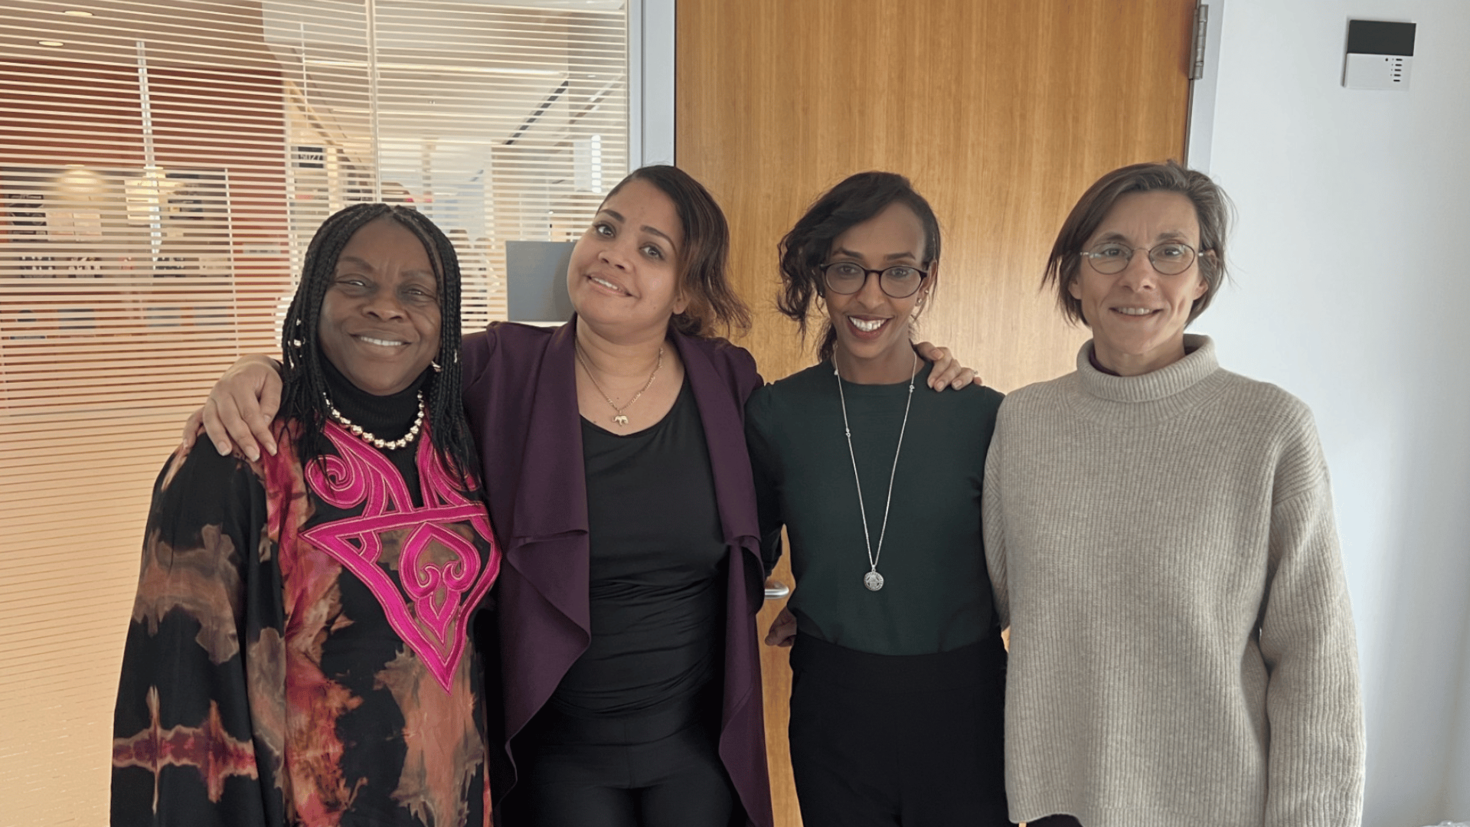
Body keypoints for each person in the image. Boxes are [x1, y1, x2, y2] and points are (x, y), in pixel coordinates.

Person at [188, 166, 972, 827]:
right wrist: (270, 371)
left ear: (684, 286)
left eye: (651, 248)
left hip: (696, 747)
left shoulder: (728, 383)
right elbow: (379, 360)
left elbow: (814, 474)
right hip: (557, 752)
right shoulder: (500, 369)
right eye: (606, 228)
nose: (615, 254)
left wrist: (921, 362)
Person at [982, 161, 1365, 827]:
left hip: (1215, 805)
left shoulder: (1270, 429)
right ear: (1074, 275)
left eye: (1170, 252)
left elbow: (1318, 664)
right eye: (1111, 251)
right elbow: (982, 598)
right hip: (1058, 804)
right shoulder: (1025, 421)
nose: (1139, 277)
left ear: (1203, 276)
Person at [112, 204, 503, 826]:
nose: (384, 306)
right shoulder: (238, 456)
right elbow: (181, 704)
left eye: (417, 291)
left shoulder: (466, 437)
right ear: (310, 298)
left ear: (446, 315)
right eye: (354, 283)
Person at [746, 172, 1009, 826]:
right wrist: (815, 596)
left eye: (898, 272)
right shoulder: (777, 413)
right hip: (835, 706)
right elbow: (744, 551)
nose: (871, 296)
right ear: (817, 274)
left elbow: (1037, 573)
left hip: (967, 705)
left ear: (928, 277)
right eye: (846, 269)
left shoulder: (986, 415)